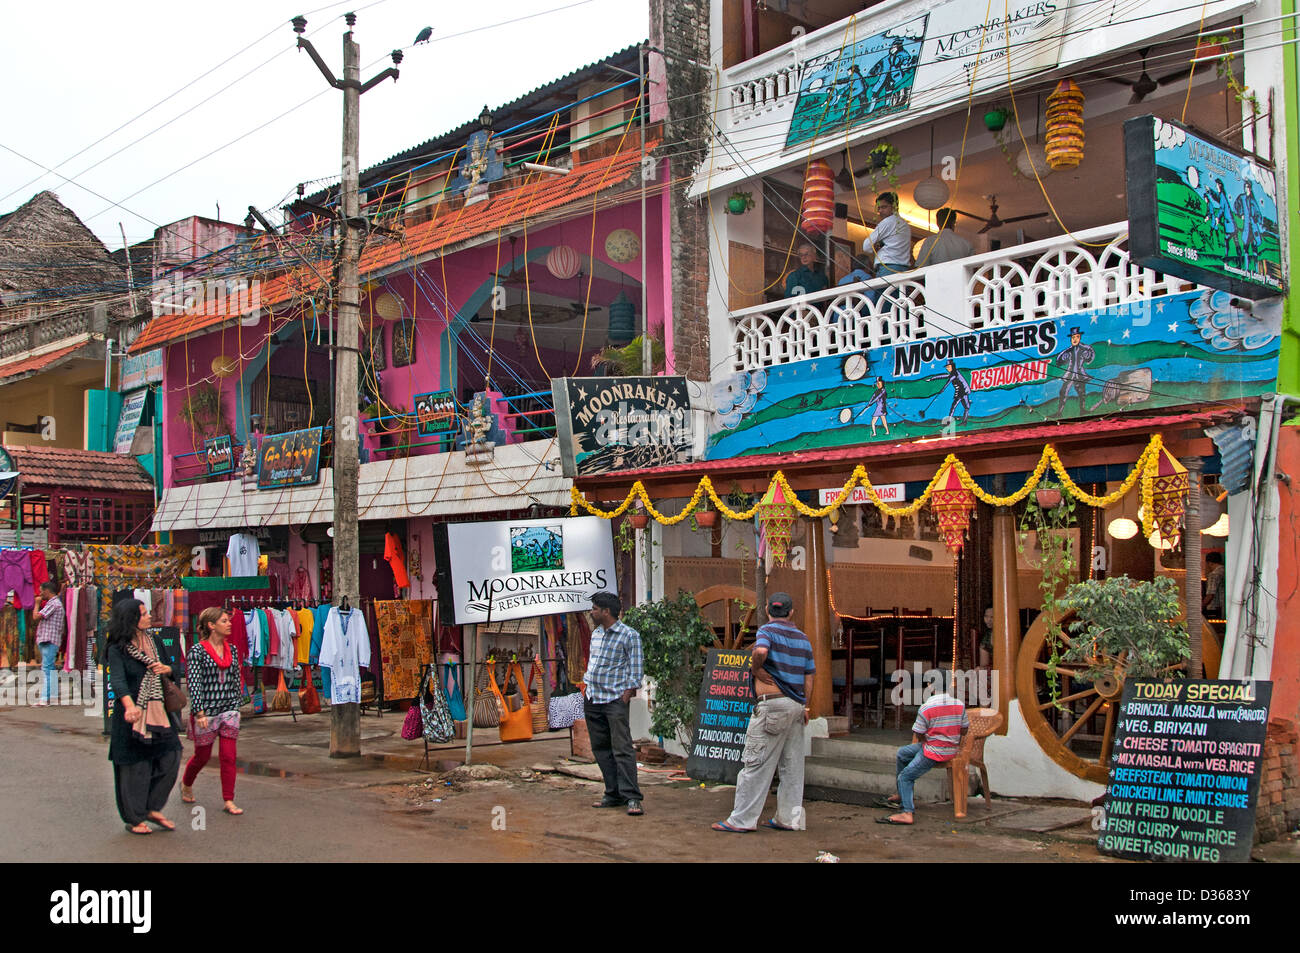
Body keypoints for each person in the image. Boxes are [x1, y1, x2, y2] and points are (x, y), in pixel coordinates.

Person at [713, 592, 815, 833]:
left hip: (772, 705)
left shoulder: (767, 631)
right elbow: (809, 676)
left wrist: (756, 669)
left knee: (755, 764)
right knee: (792, 768)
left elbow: (759, 652)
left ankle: (741, 820)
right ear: (791, 612)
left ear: (768, 610)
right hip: (795, 706)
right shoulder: (803, 639)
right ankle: (789, 819)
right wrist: (806, 706)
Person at [105, 598, 181, 835]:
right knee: (134, 767)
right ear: (132, 620)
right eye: (144, 614)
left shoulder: (155, 641)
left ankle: (152, 807)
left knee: (172, 755)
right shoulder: (116, 648)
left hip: (158, 712)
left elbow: (173, 668)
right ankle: (135, 817)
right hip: (131, 714)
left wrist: (166, 669)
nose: (149, 617)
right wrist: (129, 706)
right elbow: (117, 680)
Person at [583, 591, 645, 816]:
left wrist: (626, 695)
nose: (592, 612)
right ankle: (613, 793)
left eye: (595, 609)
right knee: (601, 748)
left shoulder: (629, 635)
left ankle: (632, 797)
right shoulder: (596, 634)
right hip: (593, 698)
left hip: (614, 700)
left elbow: (636, 669)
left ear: (606, 612)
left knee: (622, 749)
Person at [181, 607, 245, 815]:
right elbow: (194, 684)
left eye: (228, 620)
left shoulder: (232, 650)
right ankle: (187, 782)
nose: (229, 624)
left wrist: (236, 706)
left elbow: (236, 679)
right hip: (207, 712)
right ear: (211, 625)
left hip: (228, 710)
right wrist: (199, 712)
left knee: (229, 756)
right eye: (224, 621)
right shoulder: (197, 652)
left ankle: (229, 799)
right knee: (203, 756)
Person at [878, 690, 969, 825]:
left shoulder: (927, 707)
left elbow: (919, 733)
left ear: (931, 686)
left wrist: (932, 738)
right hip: (951, 750)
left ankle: (907, 812)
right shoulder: (959, 705)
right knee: (902, 753)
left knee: (905, 776)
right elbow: (964, 730)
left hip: (933, 751)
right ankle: (902, 795)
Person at [862, 192, 911, 303]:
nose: (880, 211)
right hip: (903, 270)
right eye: (879, 208)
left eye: (884, 207)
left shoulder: (888, 222)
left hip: (887, 269)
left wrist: (875, 246)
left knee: (884, 308)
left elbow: (866, 246)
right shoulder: (905, 225)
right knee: (899, 308)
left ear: (894, 207)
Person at [34, 581, 65, 706]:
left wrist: (36, 604)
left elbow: (36, 617)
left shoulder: (54, 604)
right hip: (49, 640)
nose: (41, 594)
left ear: (47, 591)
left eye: (42, 591)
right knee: (50, 669)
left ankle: (44, 699)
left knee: (46, 669)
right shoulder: (54, 603)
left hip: (49, 640)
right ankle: (53, 697)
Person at [1054, 327, 1095, 416]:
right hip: (1070, 375)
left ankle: (1082, 410)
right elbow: (1059, 360)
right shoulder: (1068, 350)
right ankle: (1059, 412)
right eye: (1073, 338)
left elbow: (1090, 356)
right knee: (1063, 392)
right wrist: (1063, 359)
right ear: (1071, 339)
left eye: (1077, 337)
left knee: (1082, 393)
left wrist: (1088, 356)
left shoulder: (1085, 348)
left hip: (1080, 375)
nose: (1075, 339)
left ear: (1079, 337)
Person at [1202, 551, 1226, 619]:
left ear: (1210, 563)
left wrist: (1201, 607)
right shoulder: (1225, 571)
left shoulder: (1214, 575)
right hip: (1225, 607)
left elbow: (1210, 595)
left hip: (1214, 609)